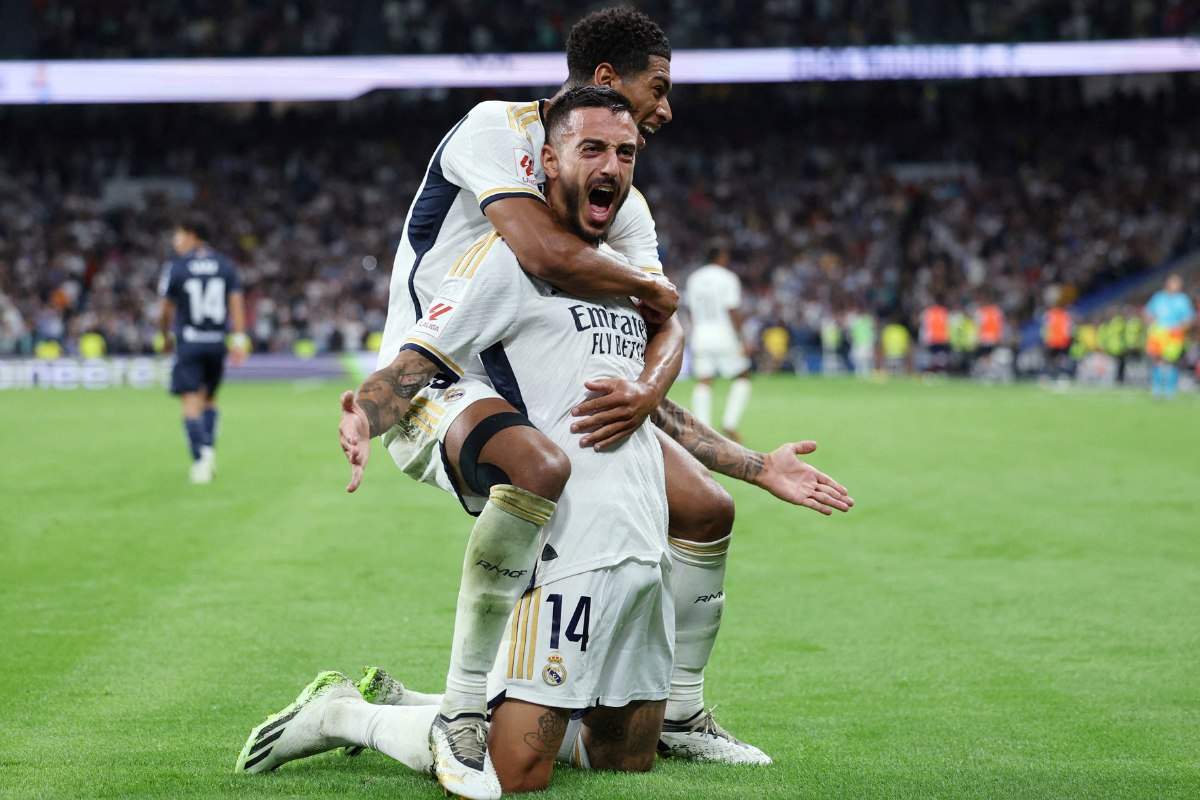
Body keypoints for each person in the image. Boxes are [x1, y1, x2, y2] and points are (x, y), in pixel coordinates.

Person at [235, 89, 853, 798]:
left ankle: (418, 704)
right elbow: (423, 359)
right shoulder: (505, 261)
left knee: (624, 757)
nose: (614, 166)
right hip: (567, 560)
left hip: (641, 554)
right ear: (549, 158)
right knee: (516, 772)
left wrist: (755, 466)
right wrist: (364, 416)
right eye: (593, 149)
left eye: (626, 154)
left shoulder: (621, 270)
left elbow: (650, 408)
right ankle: (344, 714)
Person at [157, 215, 247, 484]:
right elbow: (236, 303)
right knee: (209, 400)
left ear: (192, 234)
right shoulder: (225, 265)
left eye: (178, 234)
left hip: (190, 342)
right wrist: (239, 339)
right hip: (216, 342)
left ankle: (201, 459)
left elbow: (165, 308)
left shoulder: (177, 266)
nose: (175, 240)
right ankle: (208, 451)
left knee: (190, 405)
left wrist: (165, 334)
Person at [685, 247, 752, 440]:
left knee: (704, 380)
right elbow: (731, 310)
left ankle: (702, 428)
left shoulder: (694, 278)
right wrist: (743, 339)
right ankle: (729, 423)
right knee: (743, 376)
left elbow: (690, 310)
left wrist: (695, 332)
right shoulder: (728, 277)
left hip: (700, 335)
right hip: (723, 334)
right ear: (721, 256)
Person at [1143, 274, 1195, 400]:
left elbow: (1190, 319)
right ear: (1167, 283)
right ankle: (1156, 387)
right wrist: (1151, 325)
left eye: (1177, 283)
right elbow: (1148, 313)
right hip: (1159, 332)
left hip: (1174, 333)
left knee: (1172, 360)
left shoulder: (1183, 300)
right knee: (1156, 358)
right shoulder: (1158, 297)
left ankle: (1170, 390)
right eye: (1173, 283)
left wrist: (1179, 328)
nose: (1175, 286)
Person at [919, 301, 949, 373]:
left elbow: (923, 326)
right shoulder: (943, 311)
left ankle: (935, 371)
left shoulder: (927, 311)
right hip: (939, 338)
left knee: (936, 357)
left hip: (933, 338)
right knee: (937, 357)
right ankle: (936, 371)